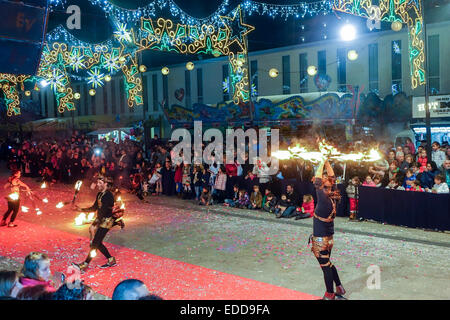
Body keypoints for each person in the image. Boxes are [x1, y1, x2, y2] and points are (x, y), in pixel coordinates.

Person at [310, 158, 345, 300]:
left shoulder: (323, 199)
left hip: (321, 240)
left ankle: (330, 294)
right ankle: (339, 288)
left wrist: (322, 162)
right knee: (329, 264)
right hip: (329, 239)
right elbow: (332, 178)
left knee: (325, 267)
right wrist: (327, 162)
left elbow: (318, 179)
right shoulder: (333, 197)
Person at [73, 176, 117, 273]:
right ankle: (111, 259)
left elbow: (104, 211)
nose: (98, 185)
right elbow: (94, 207)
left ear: (105, 184)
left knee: (95, 243)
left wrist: (95, 224)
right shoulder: (99, 194)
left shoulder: (108, 195)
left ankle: (85, 264)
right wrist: (82, 209)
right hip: (101, 220)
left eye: (100, 183)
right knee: (98, 243)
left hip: (106, 222)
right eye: (97, 183)